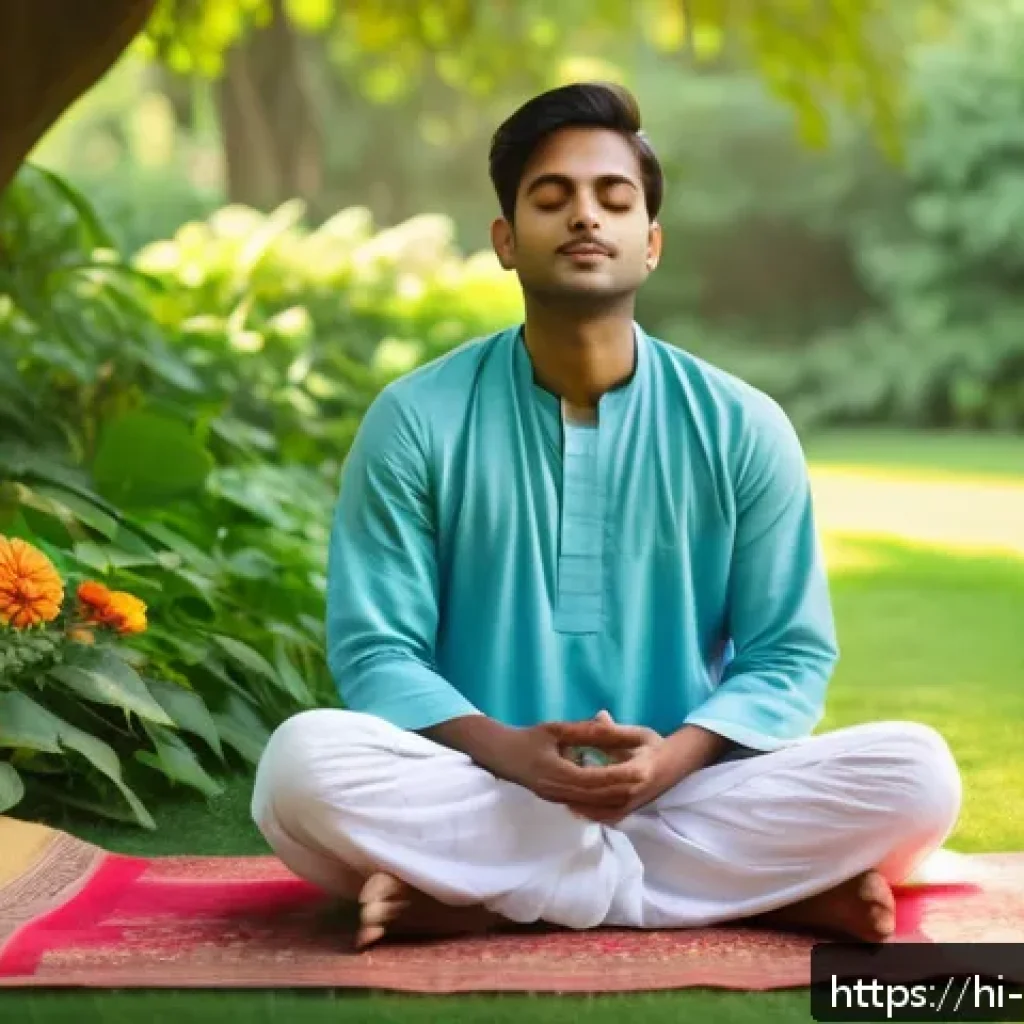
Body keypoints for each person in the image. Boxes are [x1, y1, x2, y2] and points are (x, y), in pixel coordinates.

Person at [251, 82, 962, 952]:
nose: (585, 215)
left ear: (650, 243)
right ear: (506, 241)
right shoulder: (416, 419)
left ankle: (487, 895)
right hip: (479, 781)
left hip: (686, 789)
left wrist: (670, 760)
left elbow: (789, 656)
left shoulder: (742, 426)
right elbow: (377, 653)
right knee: (299, 768)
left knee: (919, 775)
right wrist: (509, 753)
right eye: (552, 197)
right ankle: (747, 892)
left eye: (613, 199)